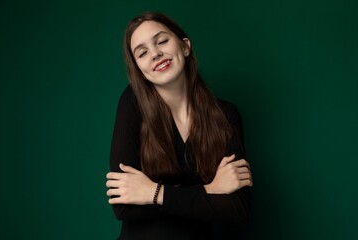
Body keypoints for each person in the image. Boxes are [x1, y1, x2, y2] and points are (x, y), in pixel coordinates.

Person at [106, 12, 253, 240]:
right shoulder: (132, 103)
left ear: (185, 46)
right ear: (140, 71)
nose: (155, 54)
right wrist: (210, 190)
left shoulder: (226, 115)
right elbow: (124, 206)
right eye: (142, 53)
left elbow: (237, 209)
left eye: (162, 41)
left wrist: (152, 193)